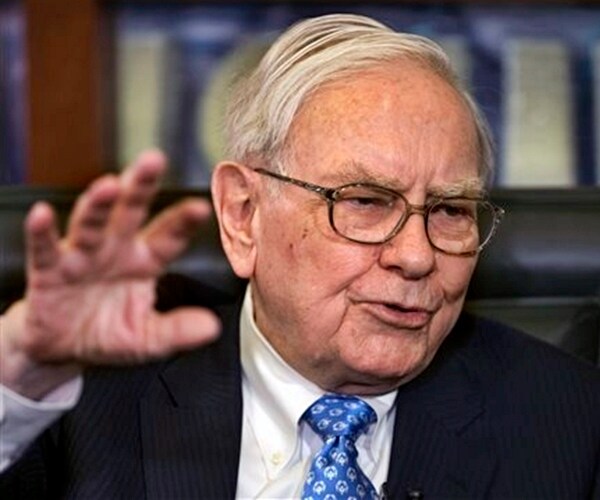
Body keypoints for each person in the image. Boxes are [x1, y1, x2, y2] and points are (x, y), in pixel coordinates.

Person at [1, 13, 599, 499]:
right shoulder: (81, 392)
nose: (417, 256)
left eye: (449, 210)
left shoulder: (566, 422)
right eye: (365, 201)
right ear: (243, 215)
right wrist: (19, 373)